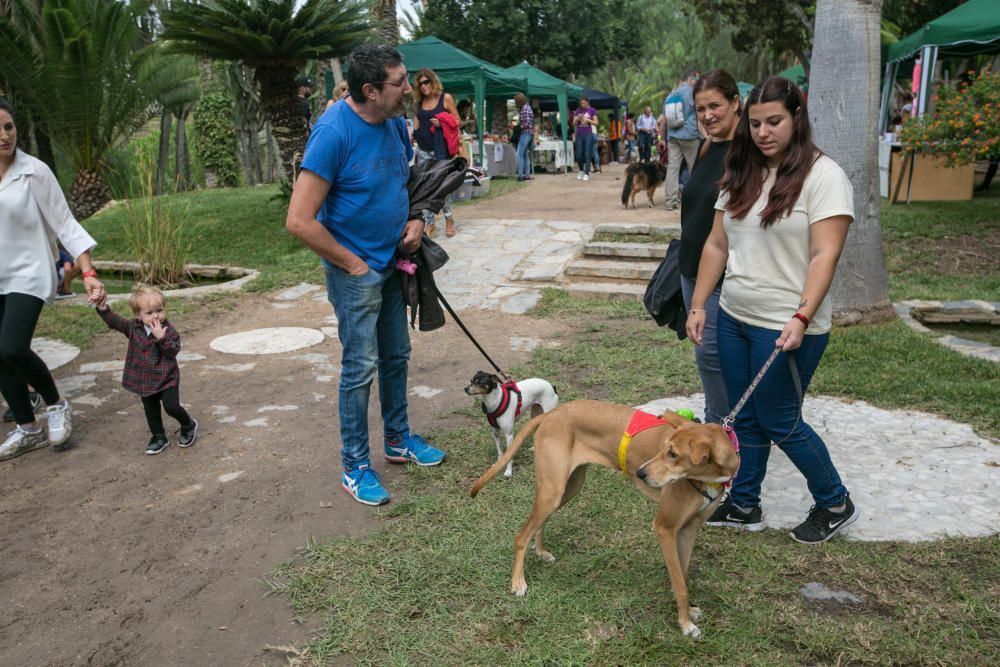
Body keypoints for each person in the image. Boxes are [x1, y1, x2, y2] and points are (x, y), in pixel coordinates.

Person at [686, 77, 859, 544]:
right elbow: (717, 244)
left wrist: (801, 317)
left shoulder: (825, 177)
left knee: (781, 419)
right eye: (757, 123)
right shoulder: (742, 170)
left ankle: (835, 501)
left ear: (797, 117)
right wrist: (700, 304)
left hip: (786, 325)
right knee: (743, 418)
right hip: (736, 315)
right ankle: (744, 503)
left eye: (775, 121)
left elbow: (825, 256)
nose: (763, 132)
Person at [285, 44, 445, 507]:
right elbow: (299, 220)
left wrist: (417, 219)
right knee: (360, 368)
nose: (410, 88)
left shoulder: (395, 124)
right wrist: (353, 263)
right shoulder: (334, 132)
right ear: (371, 90)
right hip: (355, 272)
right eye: (400, 82)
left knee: (396, 355)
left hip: (394, 262)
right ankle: (355, 465)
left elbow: (406, 183)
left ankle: (397, 440)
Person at [0, 97, 105, 462]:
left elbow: (65, 224)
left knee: (12, 346)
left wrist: (87, 272)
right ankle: (27, 429)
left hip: (28, 272)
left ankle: (56, 404)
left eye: (9, 127)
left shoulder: (34, 171)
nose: (3, 136)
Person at [678, 69, 742, 427]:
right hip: (691, 270)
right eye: (701, 109)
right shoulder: (707, 146)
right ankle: (723, 423)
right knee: (706, 354)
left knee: (712, 356)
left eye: (715, 106)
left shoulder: (746, 152)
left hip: (723, 273)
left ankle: (721, 429)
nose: (707, 116)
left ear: (735, 103)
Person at [94, 286, 198, 455]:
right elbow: (115, 322)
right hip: (144, 379)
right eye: (149, 313)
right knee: (151, 410)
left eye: (159, 310)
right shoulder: (133, 328)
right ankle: (158, 437)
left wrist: (161, 338)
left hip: (167, 377)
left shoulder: (168, 331)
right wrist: (103, 308)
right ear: (138, 316)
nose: (156, 316)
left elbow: (173, 351)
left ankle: (188, 424)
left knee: (171, 407)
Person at [411, 67, 460, 237]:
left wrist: (443, 123)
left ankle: (449, 219)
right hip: (424, 150)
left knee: (442, 186)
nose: (424, 86)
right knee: (426, 187)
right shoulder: (419, 103)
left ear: (433, 81)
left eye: (426, 82)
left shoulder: (445, 98)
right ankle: (430, 223)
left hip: (441, 150)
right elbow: (416, 125)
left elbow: (457, 120)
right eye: (420, 84)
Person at [665, 70, 701, 210]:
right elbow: (699, 112)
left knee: (672, 169)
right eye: (697, 79)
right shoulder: (692, 93)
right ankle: (696, 200)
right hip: (690, 135)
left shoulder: (671, 94)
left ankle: (670, 202)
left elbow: (665, 117)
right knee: (695, 168)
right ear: (691, 79)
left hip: (673, 136)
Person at [573, 97, 598, 181]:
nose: (582, 105)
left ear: (587, 103)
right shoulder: (577, 110)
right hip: (579, 134)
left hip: (588, 134)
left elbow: (596, 123)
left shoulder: (592, 110)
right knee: (579, 154)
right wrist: (577, 118)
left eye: (584, 103)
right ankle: (580, 170)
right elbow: (573, 123)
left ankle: (586, 173)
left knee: (587, 153)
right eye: (581, 103)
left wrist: (587, 120)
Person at [514, 93, 536, 182]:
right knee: (525, 155)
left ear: (520, 101)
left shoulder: (525, 109)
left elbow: (526, 124)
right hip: (529, 134)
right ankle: (527, 175)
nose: (516, 103)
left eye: (516, 101)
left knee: (519, 154)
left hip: (525, 134)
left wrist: (517, 127)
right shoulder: (528, 107)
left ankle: (520, 175)